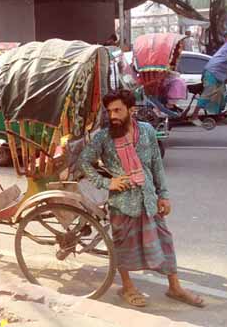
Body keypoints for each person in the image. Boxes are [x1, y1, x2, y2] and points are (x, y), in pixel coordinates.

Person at [78, 90, 205, 308]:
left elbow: (156, 164)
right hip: (122, 204)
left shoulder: (146, 132)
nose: (113, 115)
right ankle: (127, 287)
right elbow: (84, 161)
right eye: (109, 111)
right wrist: (108, 183)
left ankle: (174, 287)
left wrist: (163, 195)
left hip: (148, 200)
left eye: (118, 110)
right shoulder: (104, 137)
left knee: (165, 243)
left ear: (131, 109)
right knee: (124, 247)